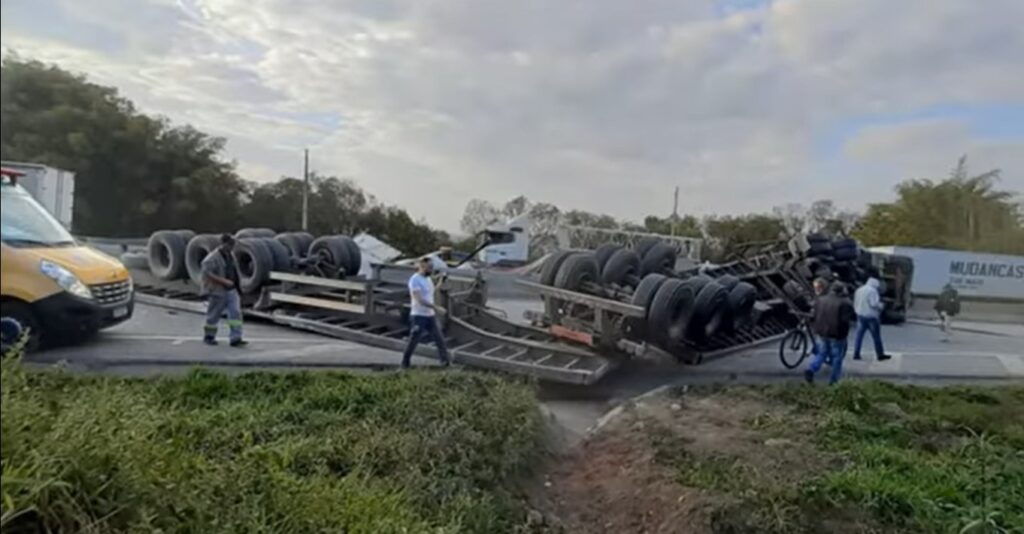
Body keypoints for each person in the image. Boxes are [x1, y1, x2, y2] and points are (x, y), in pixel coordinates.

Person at [401, 257, 451, 369]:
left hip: (430, 316)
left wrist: (440, 282)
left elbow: (431, 292)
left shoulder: (427, 279)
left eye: (432, 267)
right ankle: (405, 363)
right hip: (418, 316)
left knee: (439, 339)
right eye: (429, 268)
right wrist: (436, 308)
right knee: (414, 340)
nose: (431, 270)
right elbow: (419, 299)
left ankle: (445, 362)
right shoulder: (414, 280)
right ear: (422, 267)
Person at [200, 234, 247, 347]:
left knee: (235, 314)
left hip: (232, 290)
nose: (232, 247)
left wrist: (238, 287)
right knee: (214, 315)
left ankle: (236, 338)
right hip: (218, 290)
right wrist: (223, 281)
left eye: (233, 245)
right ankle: (209, 336)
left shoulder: (230, 255)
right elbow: (207, 273)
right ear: (223, 244)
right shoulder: (212, 258)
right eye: (230, 245)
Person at [805, 282, 855, 385]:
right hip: (837, 334)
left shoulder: (821, 300)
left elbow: (815, 314)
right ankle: (834, 380)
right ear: (842, 290)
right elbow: (846, 320)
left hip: (822, 332)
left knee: (822, 353)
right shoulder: (845, 302)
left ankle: (811, 368)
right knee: (837, 357)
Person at [852, 273, 891, 361]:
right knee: (876, 337)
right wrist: (882, 306)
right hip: (871, 317)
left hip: (860, 315)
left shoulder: (859, 290)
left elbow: (855, 302)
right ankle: (880, 354)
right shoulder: (873, 291)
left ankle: (856, 353)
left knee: (859, 336)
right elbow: (874, 304)